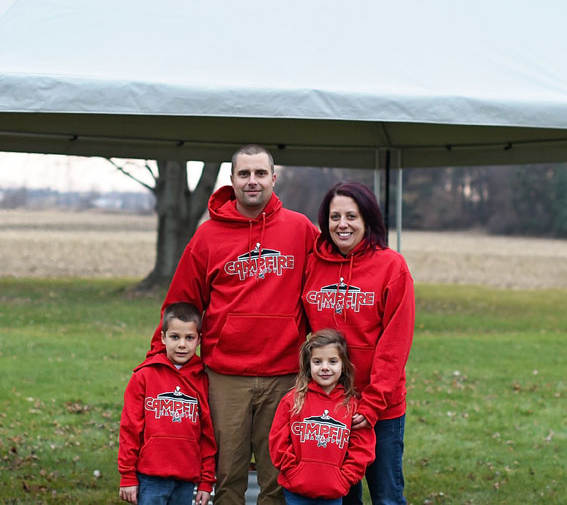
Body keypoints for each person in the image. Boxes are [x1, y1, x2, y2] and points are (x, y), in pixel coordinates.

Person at [152, 144, 319, 505]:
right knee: (227, 475)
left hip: (284, 373)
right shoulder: (208, 236)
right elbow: (181, 302)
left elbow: (327, 278)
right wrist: (158, 363)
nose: (252, 181)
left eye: (260, 173)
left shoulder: (301, 229)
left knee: (277, 476)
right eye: (244, 174)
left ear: (274, 178)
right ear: (231, 180)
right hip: (226, 375)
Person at [302, 181, 414, 505]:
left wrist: (374, 403)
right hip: (330, 404)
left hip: (382, 409)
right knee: (341, 496)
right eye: (335, 217)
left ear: (368, 219)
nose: (343, 224)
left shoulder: (393, 267)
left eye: (351, 216)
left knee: (387, 496)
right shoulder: (314, 265)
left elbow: (395, 343)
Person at [119, 302, 216, 505]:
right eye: (175, 337)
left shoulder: (203, 379)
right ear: (163, 338)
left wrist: (206, 481)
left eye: (189, 338)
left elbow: (208, 434)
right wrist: (127, 475)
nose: (182, 344)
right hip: (150, 477)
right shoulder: (144, 377)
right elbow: (130, 429)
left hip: (186, 479)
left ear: (199, 340)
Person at [268, 329, 376, 505]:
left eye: (333, 361)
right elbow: (278, 440)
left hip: (333, 493)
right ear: (309, 364)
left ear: (343, 365)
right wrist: (293, 472)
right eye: (317, 362)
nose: (325, 367)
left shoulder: (352, 405)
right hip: (296, 491)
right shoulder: (293, 401)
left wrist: (344, 478)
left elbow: (362, 448)